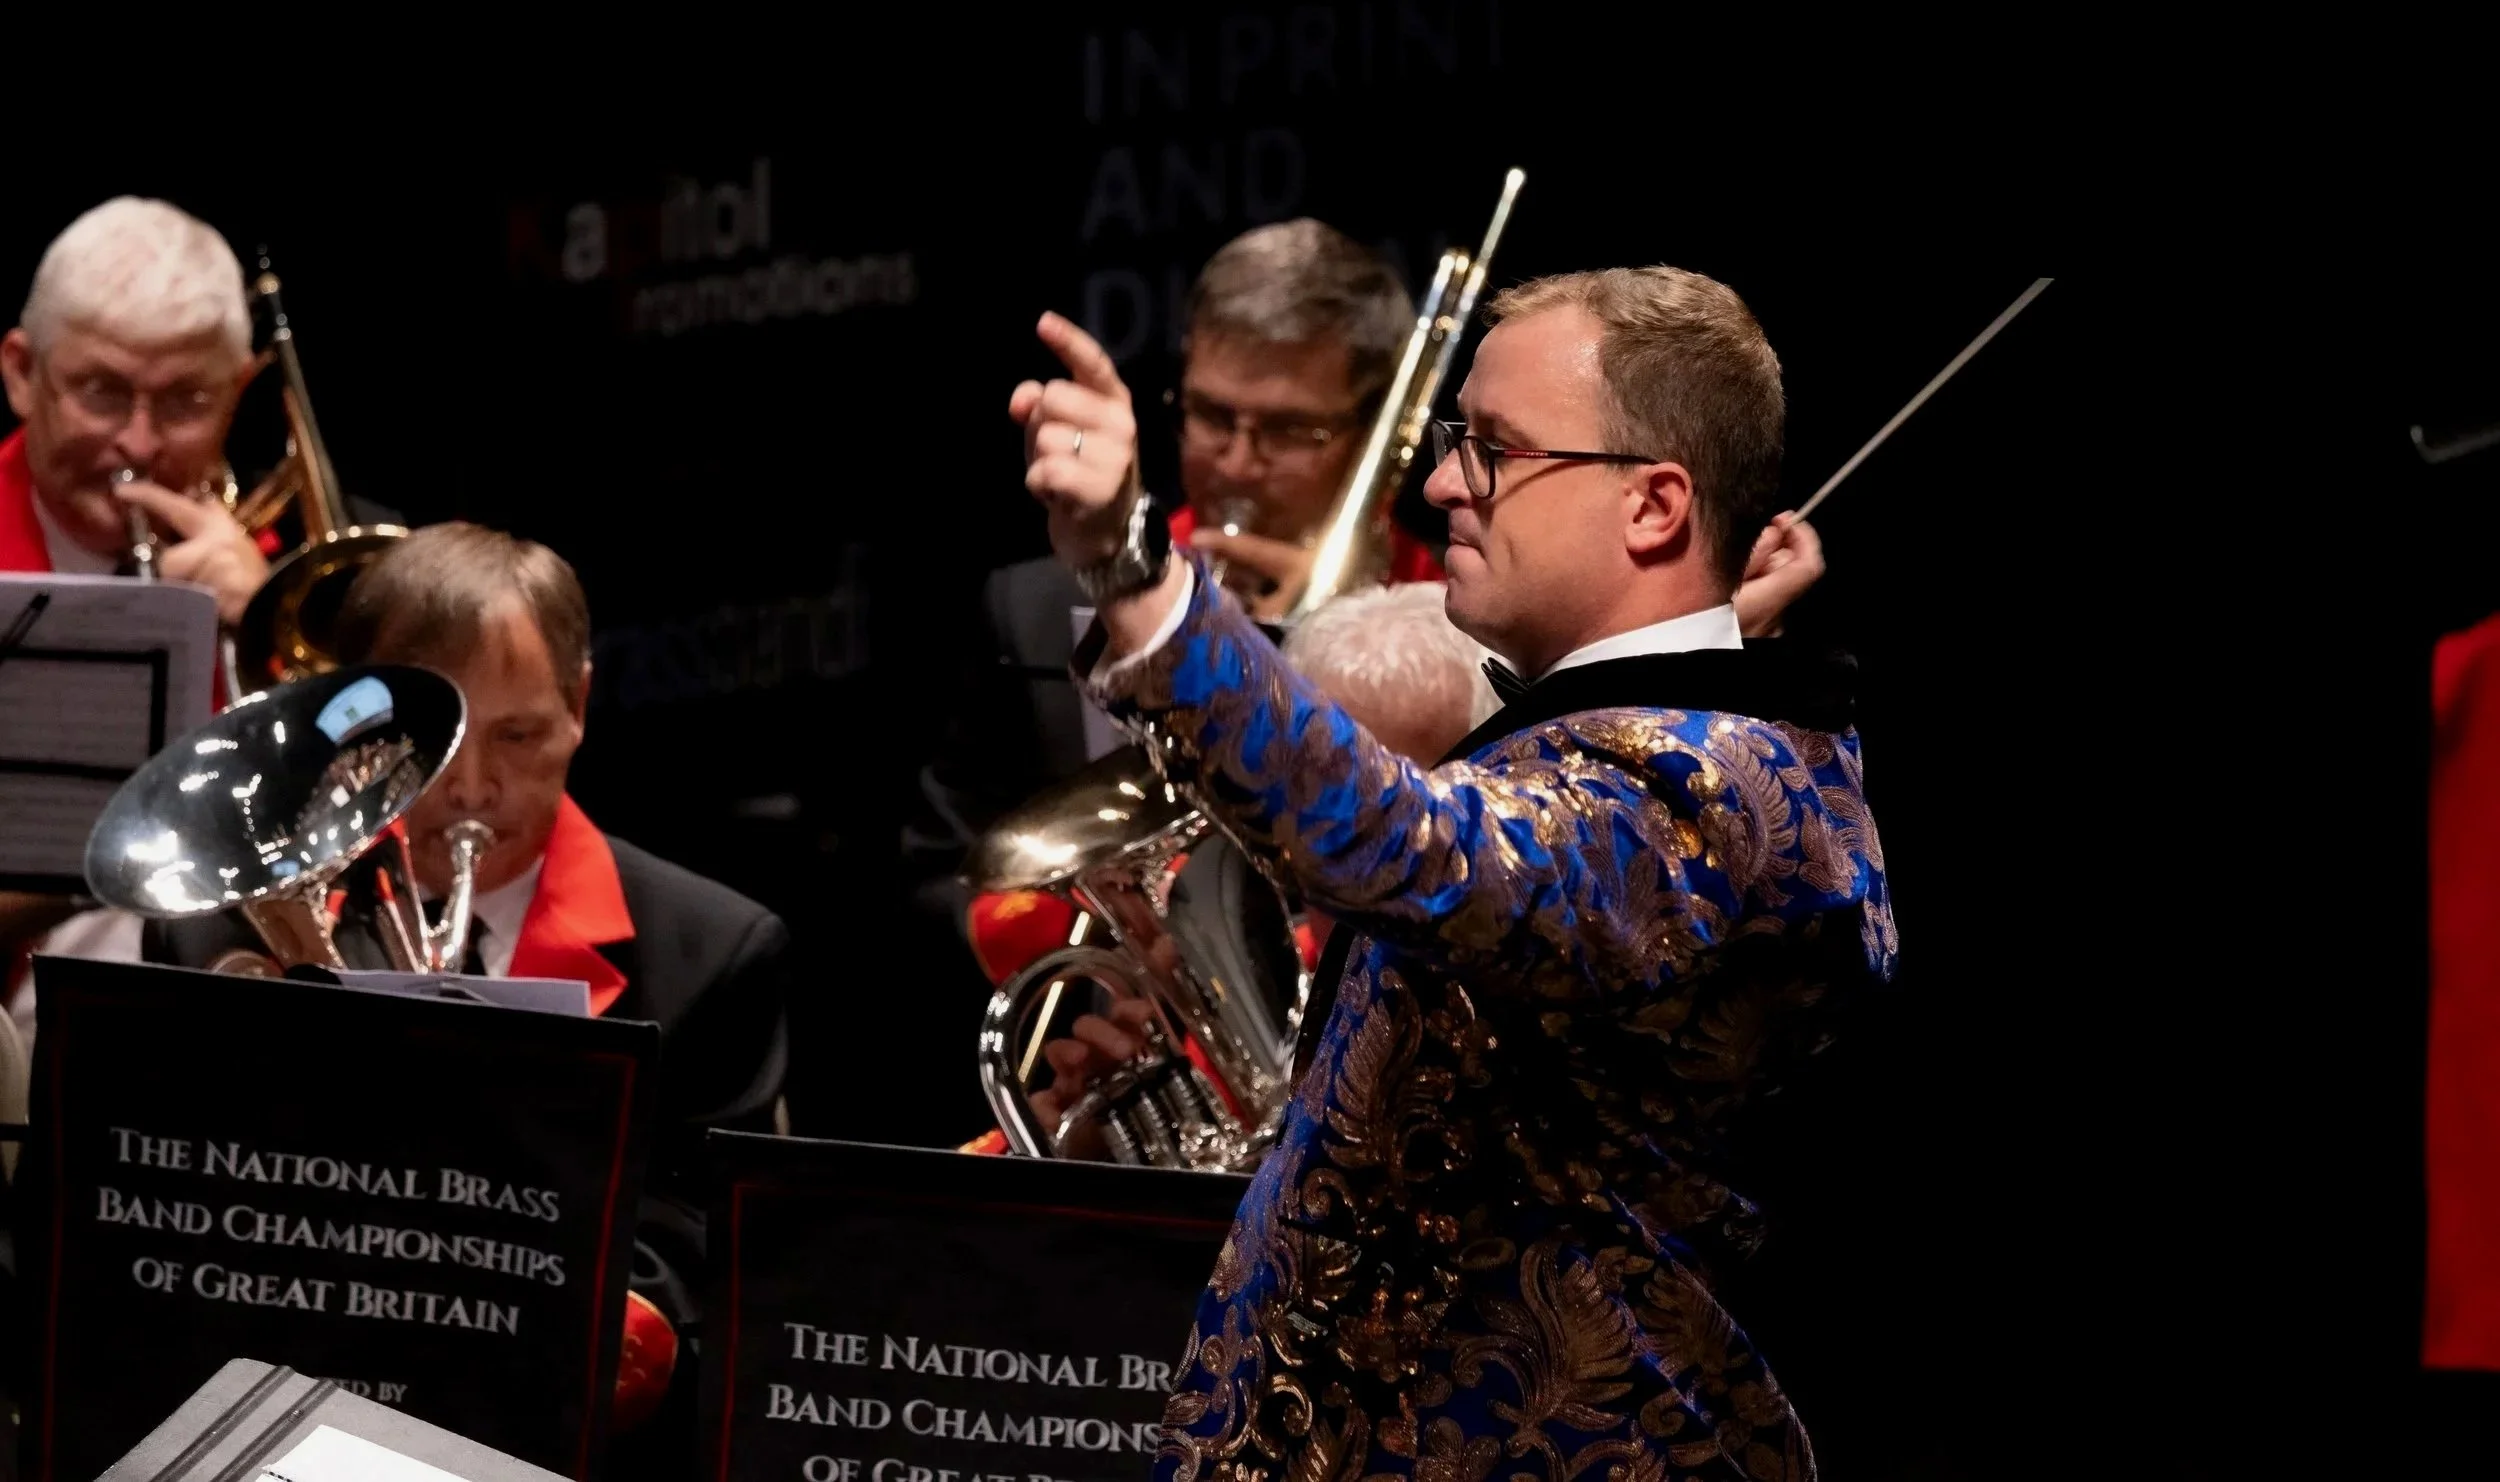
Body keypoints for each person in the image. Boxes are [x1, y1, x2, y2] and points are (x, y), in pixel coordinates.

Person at [1008, 252, 1894, 1479]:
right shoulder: (1652, 745)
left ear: (1653, 506)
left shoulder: (1704, 791)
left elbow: (1417, 844)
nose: (1438, 487)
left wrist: (1136, 573)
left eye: (1493, 450)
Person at [141, 522, 791, 1449]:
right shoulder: (215, 927)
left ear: (579, 705)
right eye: (435, 741)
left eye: (518, 735)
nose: (474, 788)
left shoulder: (714, 950)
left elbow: (690, 1249)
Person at [906, 219, 1437, 968]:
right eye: (1213, 416)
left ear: (1376, 428)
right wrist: (1098, 954)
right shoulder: (1039, 612)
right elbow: (941, 877)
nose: (1238, 464)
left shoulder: (1455, 623)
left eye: (1291, 430)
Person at [0, 196, 394, 1029]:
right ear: (21, 373)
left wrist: (265, 637)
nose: (140, 443)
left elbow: (412, 831)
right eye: (102, 393)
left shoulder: (311, 581)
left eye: (185, 401)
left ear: (241, 388)